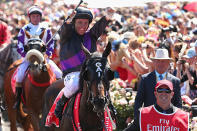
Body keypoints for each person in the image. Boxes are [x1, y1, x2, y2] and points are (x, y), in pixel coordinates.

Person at [55, 6, 116, 120]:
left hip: (89, 73)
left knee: (103, 84)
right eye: (79, 22)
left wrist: (108, 16)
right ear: (74, 23)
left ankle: (110, 106)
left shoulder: (91, 35)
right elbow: (65, 29)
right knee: (74, 85)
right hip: (72, 73)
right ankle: (61, 104)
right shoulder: (67, 35)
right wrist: (68, 20)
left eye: (85, 23)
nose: (83, 26)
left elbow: (99, 27)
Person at [14, 5, 63, 109]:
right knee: (19, 75)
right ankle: (18, 100)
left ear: (40, 17)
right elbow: (19, 45)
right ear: (30, 17)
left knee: (59, 73)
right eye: (33, 16)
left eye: (37, 16)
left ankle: (60, 100)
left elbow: (50, 45)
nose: (35, 18)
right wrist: (26, 55)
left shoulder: (46, 29)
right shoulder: (24, 29)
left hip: (43, 57)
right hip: (28, 58)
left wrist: (48, 54)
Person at [133, 48, 182, 126]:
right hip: (149, 121)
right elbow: (139, 101)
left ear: (168, 63)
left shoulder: (175, 81)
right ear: (154, 62)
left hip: (168, 122)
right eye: (158, 61)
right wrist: (138, 119)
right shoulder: (145, 79)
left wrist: (177, 120)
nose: (160, 63)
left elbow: (178, 103)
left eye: (163, 61)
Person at [124, 80, 189, 131]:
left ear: (172, 94)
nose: (163, 93)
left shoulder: (182, 116)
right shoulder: (144, 114)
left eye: (167, 90)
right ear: (155, 94)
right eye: (160, 90)